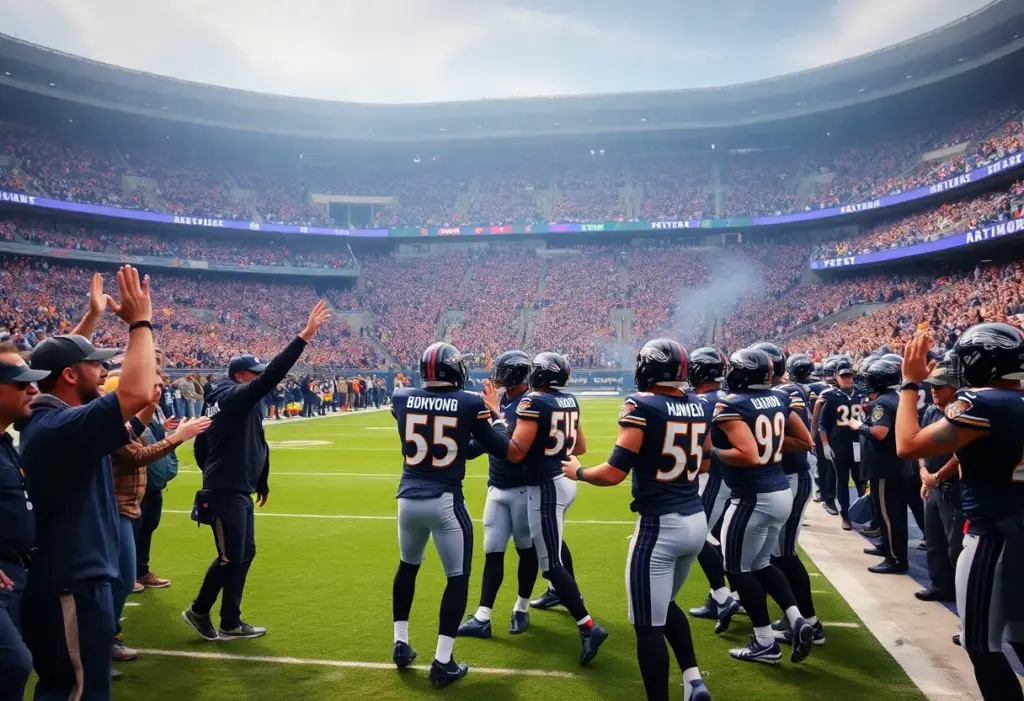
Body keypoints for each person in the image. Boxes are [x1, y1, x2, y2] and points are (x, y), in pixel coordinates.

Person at [18, 265, 157, 700]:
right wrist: (140, 322)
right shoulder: (59, 426)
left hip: (76, 581)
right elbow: (131, 393)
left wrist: (91, 319)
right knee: (77, 691)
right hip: (70, 584)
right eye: (95, 366)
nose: (105, 372)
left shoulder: (56, 420)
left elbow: (51, 362)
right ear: (71, 377)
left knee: (77, 687)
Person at [562, 339, 712, 701]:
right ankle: (694, 681)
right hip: (695, 518)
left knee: (647, 625)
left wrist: (579, 472)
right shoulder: (699, 406)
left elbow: (613, 472)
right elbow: (706, 461)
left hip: (660, 527)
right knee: (665, 604)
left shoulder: (641, 405)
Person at [182, 300, 331, 642]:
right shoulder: (234, 396)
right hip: (226, 489)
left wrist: (258, 479)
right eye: (255, 372)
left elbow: (225, 444)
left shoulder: (228, 402)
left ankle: (230, 621)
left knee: (243, 554)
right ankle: (199, 610)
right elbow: (273, 376)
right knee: (230, 556)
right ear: (239, 376)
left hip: (236, 486)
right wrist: (304, 337)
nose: (261, 376)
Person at [894, 326, 1024, 701]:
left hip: (993, 535)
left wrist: (908, 384)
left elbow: (907, 446)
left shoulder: (982, 403)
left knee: (981, 645)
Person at [389, 342, 509, 686]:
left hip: (407, 498)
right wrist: (496, 414)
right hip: (444, 501)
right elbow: (500, 448)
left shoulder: (401, 397)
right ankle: (442, 661)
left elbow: (448, 444)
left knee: (407, 567)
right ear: (455, 370)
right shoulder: (470, 403)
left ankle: (400, 643)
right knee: (456, 578)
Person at [710, 348, 816, 664]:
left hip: (752, 497)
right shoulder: (779, 398)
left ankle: (765, 642)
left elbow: (748, 455)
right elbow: (806, 441)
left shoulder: (731, 404)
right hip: (780, 490)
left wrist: (712, 452)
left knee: (737, 570)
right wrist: (768, 443)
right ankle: (796, 618)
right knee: (762, 563)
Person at [505, 352, 608, 665]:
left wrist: (496, 422)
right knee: (556, 545)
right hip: (564, 480)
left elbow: (514, 452)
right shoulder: (569, 401)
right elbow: (580, 447)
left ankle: (588, 625)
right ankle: (562, 594)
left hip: (546, 487)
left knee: (549, 563)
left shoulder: (532, 402)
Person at [110, 378, 210, 662]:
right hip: (117, 507)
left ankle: (107, 636)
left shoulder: (126, 423)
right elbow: (136, 455)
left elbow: (134, 434)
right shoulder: (110, 428)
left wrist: (151, 405)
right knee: (117, 580)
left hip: (129, 503)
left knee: (122, 576)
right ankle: (105, 638)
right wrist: (180, 436)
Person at [458, 350, 538, 638]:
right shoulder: (502, 401)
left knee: (525, 549)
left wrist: (492, 413)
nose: (498, 377)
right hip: (497, 486)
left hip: (522, 487)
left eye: (504, 372)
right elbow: (485, 441)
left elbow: (507, 445)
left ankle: (522, 607)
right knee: (492, 551)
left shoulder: (529, 404)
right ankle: (483, 615)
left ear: (517, 374)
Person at [0, 343, 50, 701]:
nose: (33, 389)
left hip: (17, 572)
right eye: (21, 383)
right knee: (13, 664)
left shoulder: (4, 440)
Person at [685, 348, 741, 633]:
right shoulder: (731, 396)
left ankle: (723, 596)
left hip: (713, 477)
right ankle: (724, 594)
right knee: (719, 537)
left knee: (699, 536)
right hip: (736, 478)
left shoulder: (700, 402)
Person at [851, 358, 912, 574]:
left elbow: (880, 432)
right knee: (889, 513)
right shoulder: (894, 398)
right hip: (893, 466)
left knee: (889, 515)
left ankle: (895, 559)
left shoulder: (883, 402)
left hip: (886, 468)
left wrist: (859, 426)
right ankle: (888, 548)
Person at [914, 355, 963, 602]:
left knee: (956, 546)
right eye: (931, 385)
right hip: (932, 483)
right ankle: (940, 584)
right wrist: (924, 474)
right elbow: (921, 443)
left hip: (953, 486)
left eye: (939, 386)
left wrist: (937, 476)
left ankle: (961, 592)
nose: (933, 390)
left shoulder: (963, 412)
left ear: (954, 387)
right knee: (933, 540)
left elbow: (962, 454)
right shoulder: (933, 411)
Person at [815, 358, 863, 529]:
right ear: (837, 377)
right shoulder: (831, 396)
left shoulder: (860, 394)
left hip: (857, 443)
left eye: (849, 376)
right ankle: (846, 516)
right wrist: (825, 445)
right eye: (844, 377)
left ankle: (866, 514)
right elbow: (822, 424)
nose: (847, 379)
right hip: (839, 444)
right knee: (842, 481)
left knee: (861, 480)